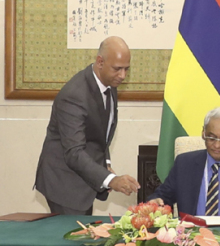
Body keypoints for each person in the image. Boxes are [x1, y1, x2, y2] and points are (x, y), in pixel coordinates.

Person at [34, 37, 140, 215]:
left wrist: (104, 163)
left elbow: (100, 132)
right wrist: (111, 180)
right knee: (72, 239)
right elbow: (74, 153)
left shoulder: (109, 83)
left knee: (84, 235)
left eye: (126, 69)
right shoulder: (74, 96)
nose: (122, 75)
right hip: (64, 182)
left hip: (84, 178)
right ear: (100, 62)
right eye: (117, 69)